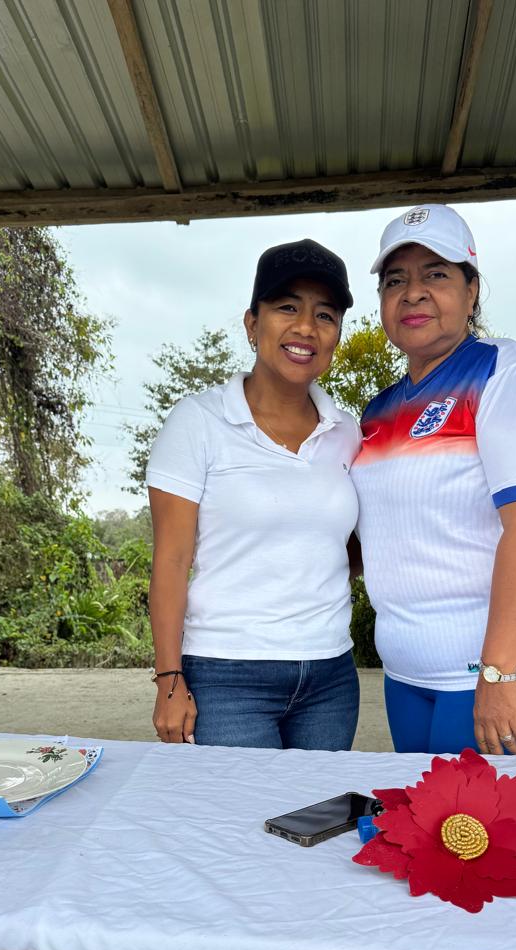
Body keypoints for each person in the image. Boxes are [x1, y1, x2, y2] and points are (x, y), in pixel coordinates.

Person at [352, 205, 516, 756]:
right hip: (408, 674)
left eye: (436, 274)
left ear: (472, 290)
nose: (413, 293)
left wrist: (499, 673)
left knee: (480, 815)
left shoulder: (507, 373)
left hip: (495, 672)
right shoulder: (379, 409)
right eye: (395, 280)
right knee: (420, 811)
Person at [146, 240, 361, 749]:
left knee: (319, 802)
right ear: (251, 323)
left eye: (325, 315)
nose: (306, 327)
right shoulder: (198, 421)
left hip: (330, 675)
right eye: (287, 307)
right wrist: (169, 680)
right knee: (239, 804)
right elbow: (171, 560)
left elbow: (349, 546)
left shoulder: (346, 431)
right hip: (227, 675)